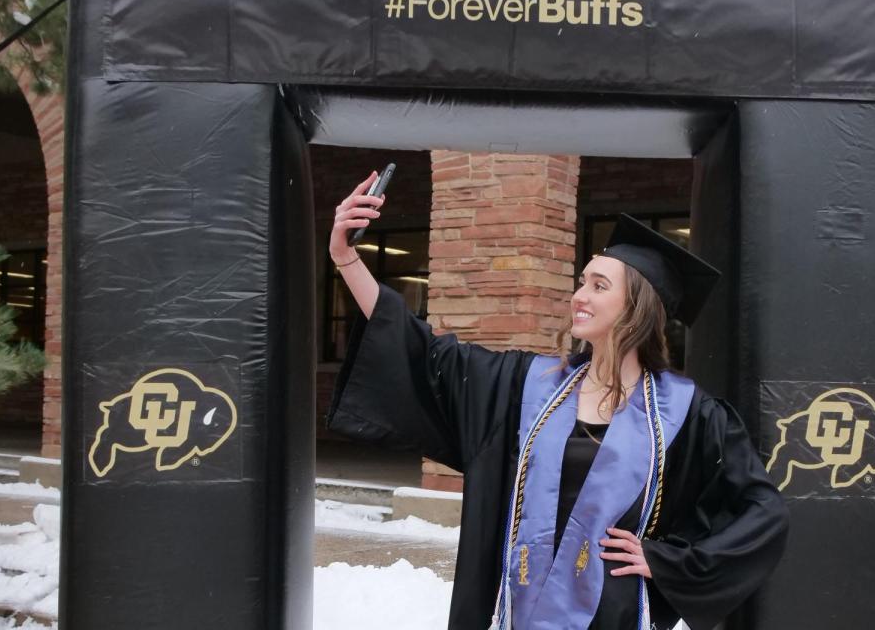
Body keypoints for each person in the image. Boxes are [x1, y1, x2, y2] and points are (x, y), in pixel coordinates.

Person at [326, 171, 789, 630]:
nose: (579, 296)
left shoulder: (689, 414)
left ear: (637, 308)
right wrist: (346, 257)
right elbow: (427, 354)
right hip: (521, 608)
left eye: (599, 286)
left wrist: (668, 561)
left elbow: (760, 512)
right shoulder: (528, 384)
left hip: (614, 615)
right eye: (582, 281)